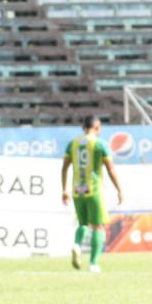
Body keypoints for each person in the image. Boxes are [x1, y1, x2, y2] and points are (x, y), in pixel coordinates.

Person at [60, 115, 123, 273]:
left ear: (83, 127)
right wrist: (119, 189)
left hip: (76, 190)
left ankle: (76, 244)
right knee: (98, 226)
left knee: (83, 224)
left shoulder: (72, 144)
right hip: (93, 190)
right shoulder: (100, 144)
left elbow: (64, 168)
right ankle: (93, 263)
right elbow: (110, 169)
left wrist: (64, 190)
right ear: (97, 127)